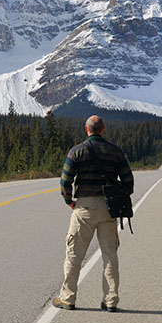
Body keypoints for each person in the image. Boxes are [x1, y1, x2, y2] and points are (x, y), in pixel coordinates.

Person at [52, 115, 134, 312]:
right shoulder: (116, 152)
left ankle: (68, 298)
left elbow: (65, 181)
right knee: (110, 255)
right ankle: (111, 301)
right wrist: (117, 198)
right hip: (108, 209)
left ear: (86, 129)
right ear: (103, 129)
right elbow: (129, 182)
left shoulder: (76, 151)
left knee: (74, 254)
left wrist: (68, 200)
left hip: (84, 207)